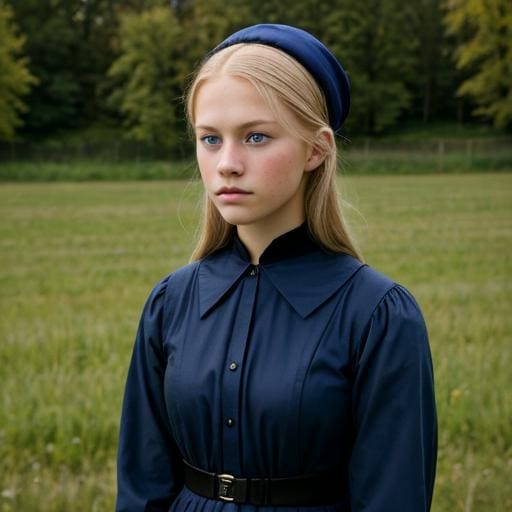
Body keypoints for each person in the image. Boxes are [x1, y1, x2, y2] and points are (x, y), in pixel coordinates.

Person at [116, 24, 437, 512]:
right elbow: (142, 486)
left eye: (256, 136)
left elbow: (393, 496)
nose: (227, 163)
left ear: (316, 148)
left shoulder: (378, 316)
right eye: (209, 139)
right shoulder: (171, 302)